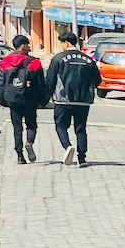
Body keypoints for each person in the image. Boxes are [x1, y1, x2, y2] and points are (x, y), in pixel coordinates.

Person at [44, 32, 101, 167]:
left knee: (61, 126)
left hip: (63, 99)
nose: (61, 46)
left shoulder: (58, 58)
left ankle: (67, 146)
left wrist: (46, 96)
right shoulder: (88, 60)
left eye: (62, 43)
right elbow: (98, 80)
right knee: (80, 129)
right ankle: (82, 158)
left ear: (67, 43)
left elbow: (50, 80)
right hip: (83, 100)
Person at [0, 34, 45, 164]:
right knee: (31, 125)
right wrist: (43, 99)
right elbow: (41, 83)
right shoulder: (34, 62)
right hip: (30, 99)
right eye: (28, 44)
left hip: (13, 100)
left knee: (17, 128)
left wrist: (1, 100)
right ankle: (29, 142)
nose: (29, 47)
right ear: (23, 45)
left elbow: (1, 83)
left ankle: (19, 156)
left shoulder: (6, 62)